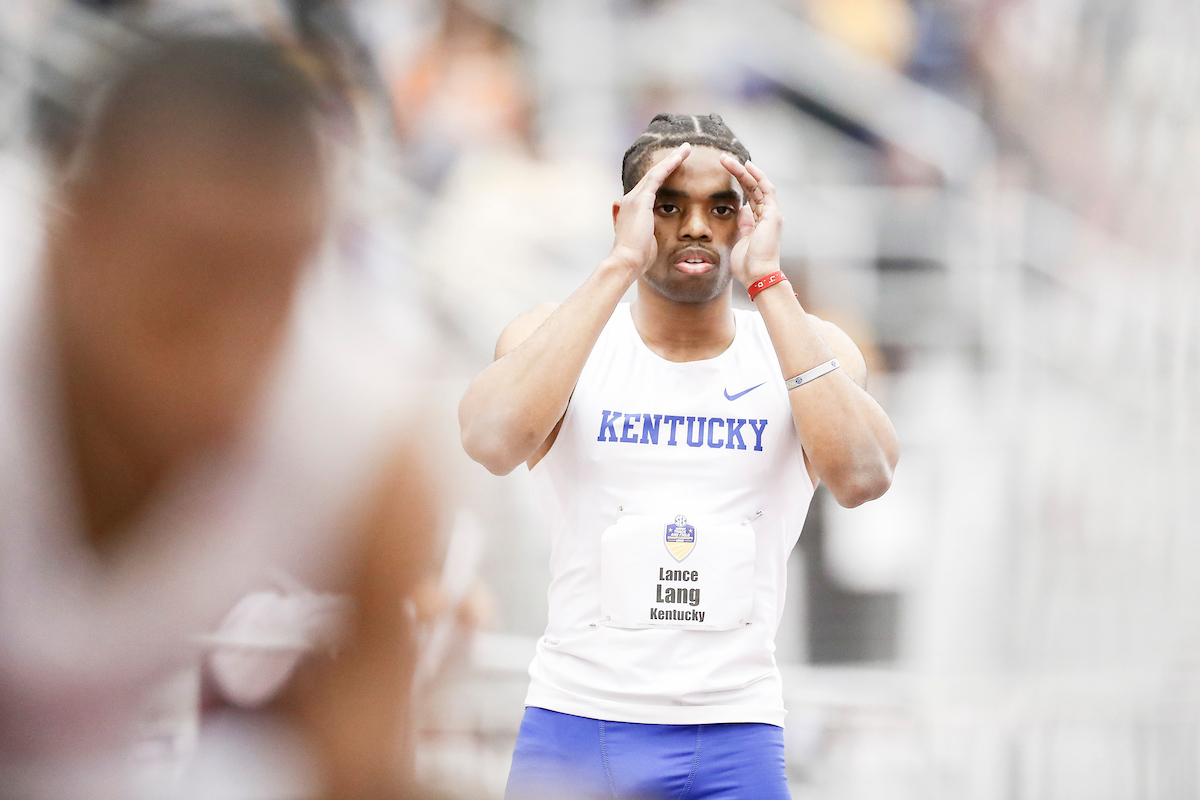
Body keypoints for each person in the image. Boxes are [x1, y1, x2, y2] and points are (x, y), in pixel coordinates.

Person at [0, 32, 435, 800]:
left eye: (272, 287)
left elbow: (364, 770)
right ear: (76, 232)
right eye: (190, 280)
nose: (227, 358)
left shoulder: (359, 443)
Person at [459, 113, 900, 799]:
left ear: (749, 219)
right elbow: (488, 439)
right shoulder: (556, 339)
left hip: (734, 735)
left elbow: (865, 476)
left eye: (721, 208)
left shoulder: (805, 350)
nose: (695, 226)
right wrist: (619, 264)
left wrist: (770, 283)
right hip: (579, 724)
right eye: (669, 206)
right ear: (628, 215)